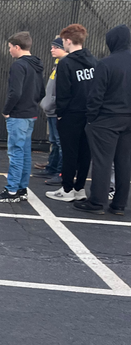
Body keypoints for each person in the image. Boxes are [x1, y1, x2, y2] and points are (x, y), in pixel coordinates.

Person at [73, 24, 131, 216]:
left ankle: (97, 201)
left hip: (106, 119)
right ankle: (119, 204)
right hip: (128, 119)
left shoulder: (106, 63)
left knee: (102, 162)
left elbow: (95, 95)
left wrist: (91, 119)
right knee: (124, 162)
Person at [0, 31, 44, 203]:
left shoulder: (18, 66)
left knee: (16, 152)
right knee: (25, 152)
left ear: (17, 47)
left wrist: (6, 110)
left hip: (18, 115)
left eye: (10, 47)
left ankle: (11, 190)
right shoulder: (37, 65)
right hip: (30, 114)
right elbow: (41, 91)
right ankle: (21, 188)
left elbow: (15, 92)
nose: (9, 51)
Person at [47, 25, 96, 202]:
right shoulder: (94, 61)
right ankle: (80, 188)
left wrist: (60, 114)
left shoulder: (66, 63)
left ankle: (67, 189)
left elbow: (63, 92)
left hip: (71, 114)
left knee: (69, 153)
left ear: (68, 40)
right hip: (89, 114)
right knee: (85, 153)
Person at [35, 36, 67, 180]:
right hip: (51, 109)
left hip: (56, 110)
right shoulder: (58, 63)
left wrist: (53, 103)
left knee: (60, 142)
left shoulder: (65, 64)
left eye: (56, 47)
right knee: (54, 140)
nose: (51, 49)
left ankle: (59, 171)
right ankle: (51, 167)